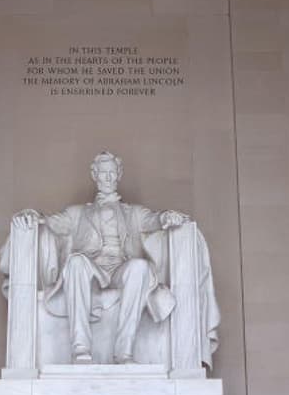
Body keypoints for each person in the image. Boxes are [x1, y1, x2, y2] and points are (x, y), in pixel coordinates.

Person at [12, 151, 189, 363]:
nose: (107, 177)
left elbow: (154, 220)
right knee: (75, 261)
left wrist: (167, 216)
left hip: (120, 269)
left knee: (140, 267)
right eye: (103, 172)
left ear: (119, 174)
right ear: (94, 174)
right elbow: (52, 222)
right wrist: (32, 214)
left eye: (112, 172)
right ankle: (80, 349)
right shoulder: (76, 213)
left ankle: (124, 352)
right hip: (91, 269)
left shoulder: (133, 212)